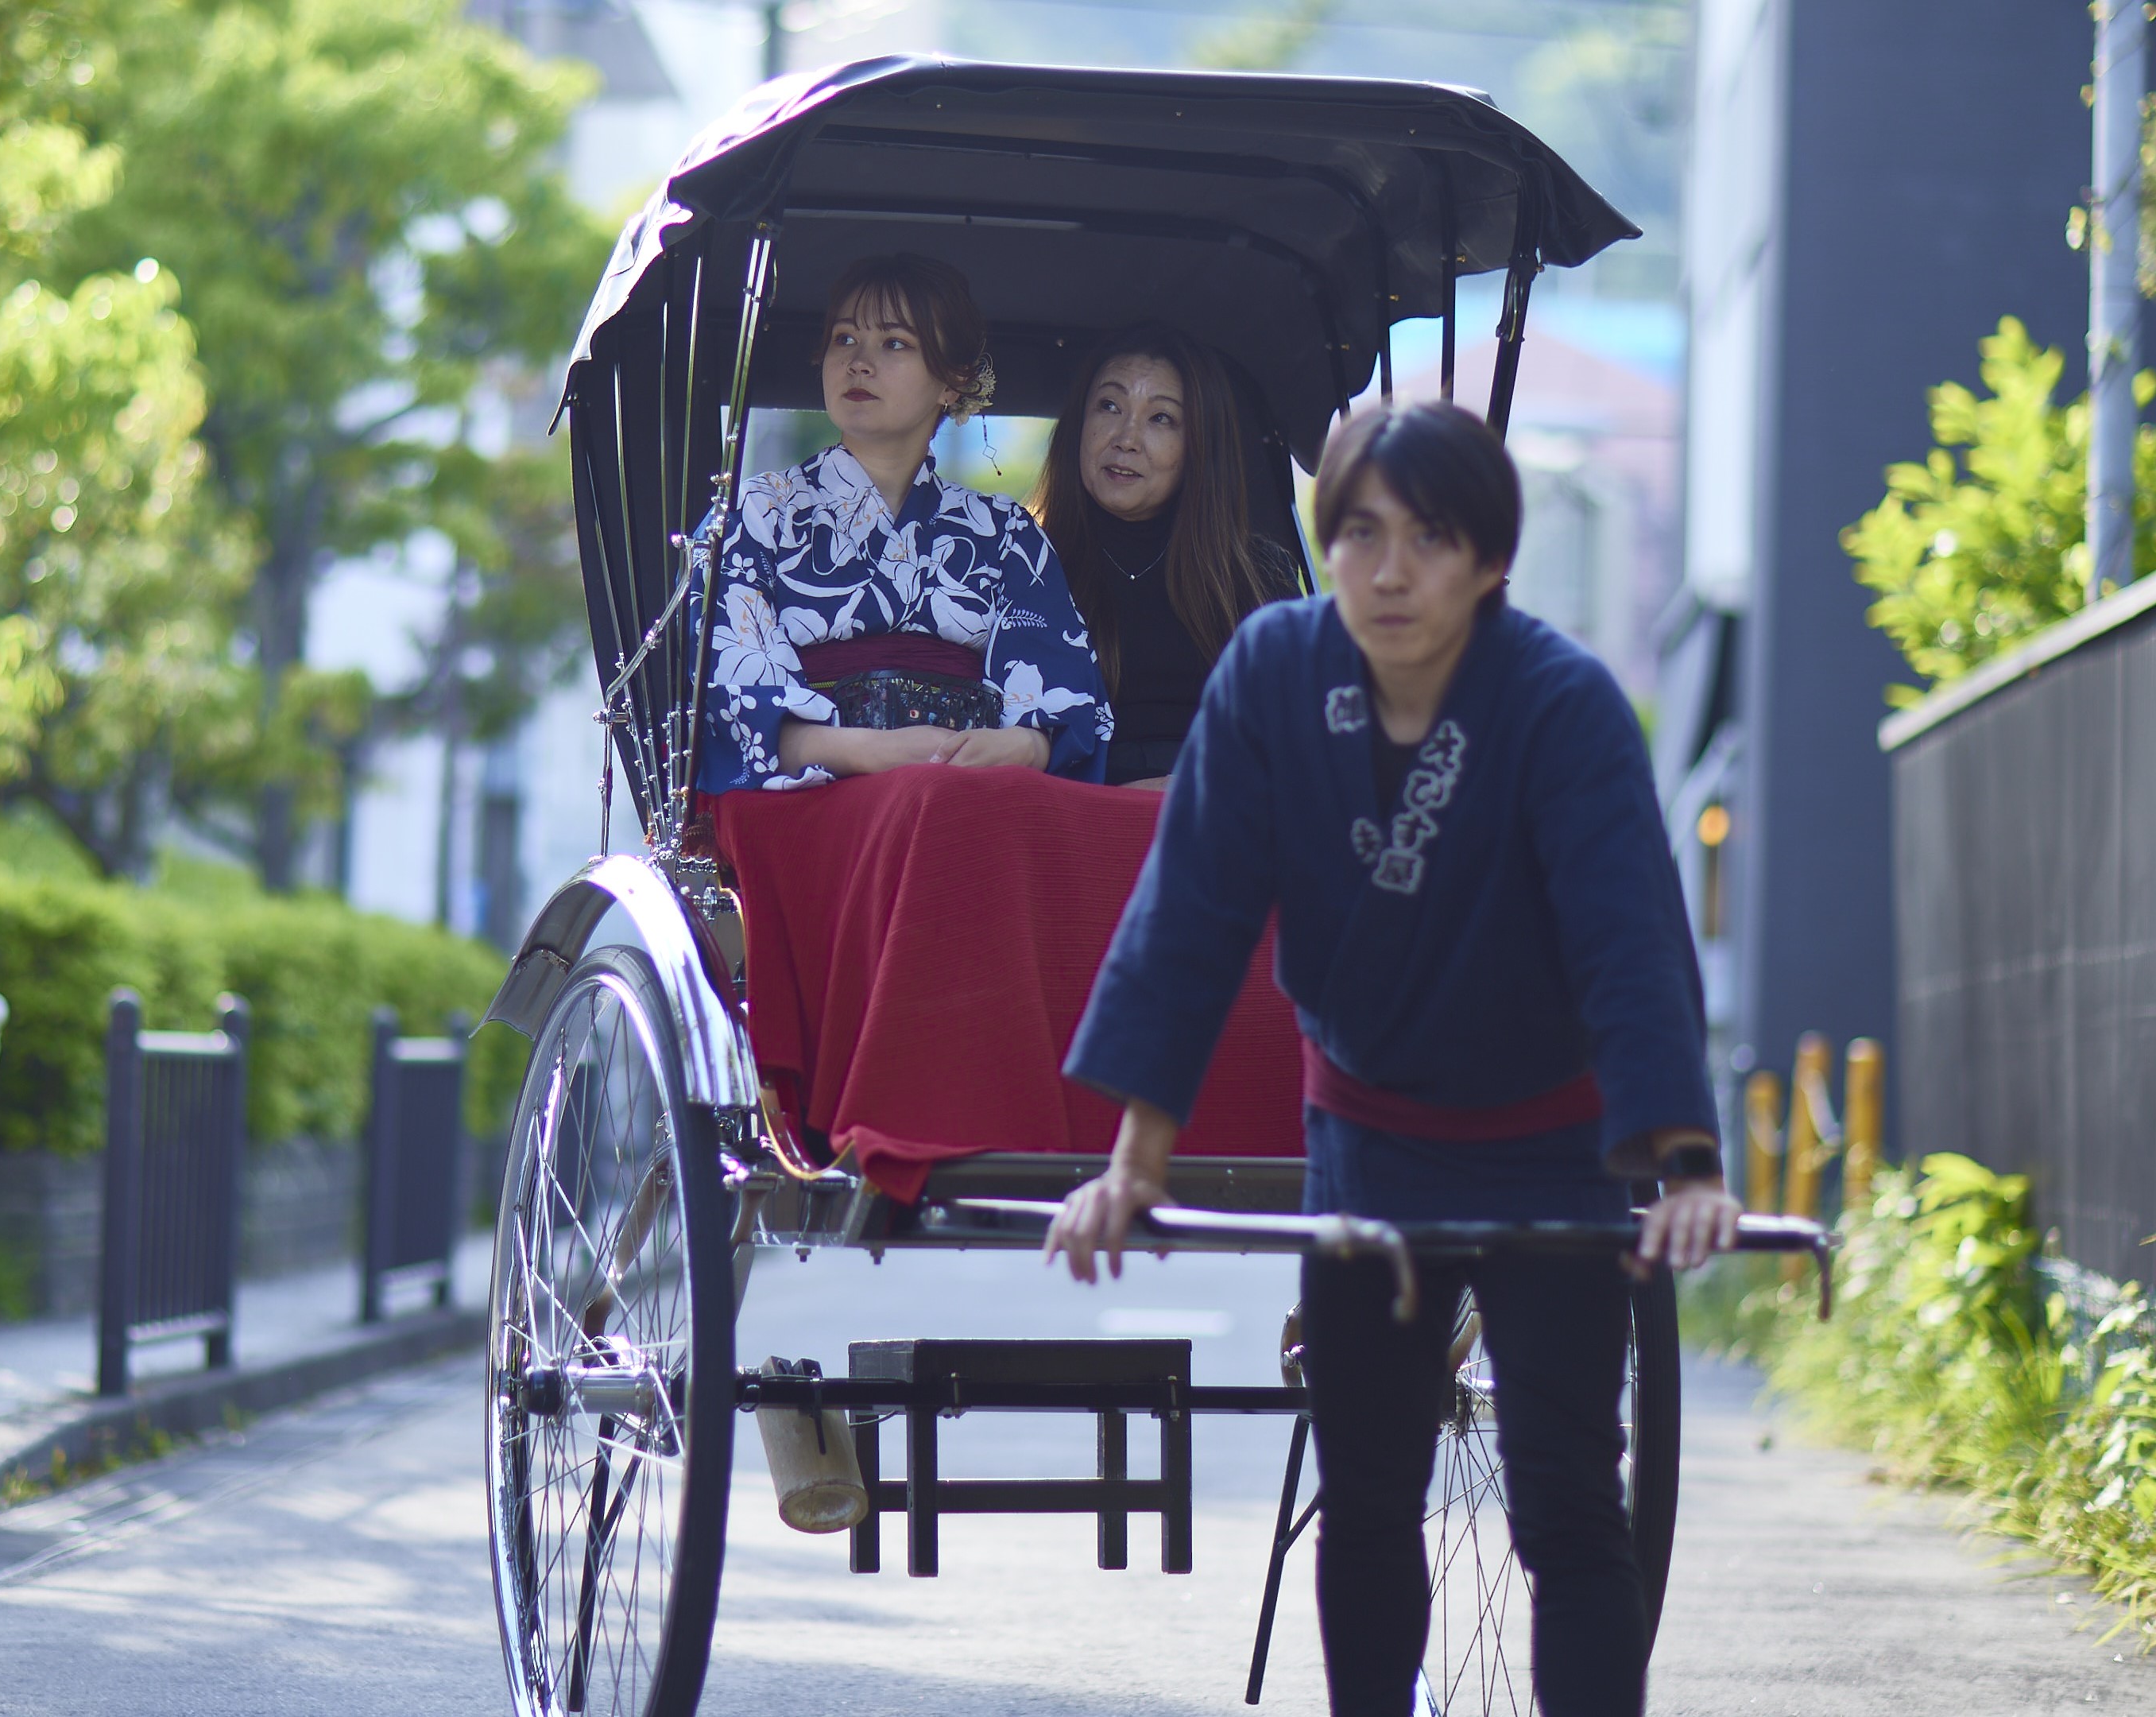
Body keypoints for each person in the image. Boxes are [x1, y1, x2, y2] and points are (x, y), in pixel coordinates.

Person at [1040, 400, 1740, 1716]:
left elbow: (1629, 941)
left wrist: (1687, 1162)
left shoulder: (1561, 703)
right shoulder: (1268, 675)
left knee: (1570, 1505)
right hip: (1369, 1140)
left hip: (1555, 1146)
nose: (1391, 570)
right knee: (1368, 1494)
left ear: (1490, 562)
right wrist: (1135, 1164)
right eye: (1358, 534)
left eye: (1431, 538)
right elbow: (1190, 915)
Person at [695, 253, 1110, 793]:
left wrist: (1024, 745)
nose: (859, 362)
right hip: (811, 790)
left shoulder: (1006, 533)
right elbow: (732, 695)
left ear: (952, 381)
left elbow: (1062, 699)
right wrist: (870, 751)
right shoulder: (753, 514)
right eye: (844, 339)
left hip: (963, 787)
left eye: (894, 343)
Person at [1033, 324, 1301, 787]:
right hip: (1070, 820)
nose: (1126, 438)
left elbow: (1298, 741)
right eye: (1110, 406)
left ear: (1199, 446)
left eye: (1161, 419)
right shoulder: (1026, 567)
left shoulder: (1257, 576)